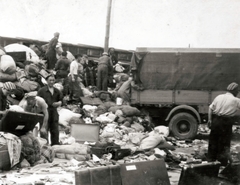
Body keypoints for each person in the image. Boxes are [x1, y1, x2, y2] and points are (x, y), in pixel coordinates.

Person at [207, 82, 240, 166]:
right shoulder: (236, 100)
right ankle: (222, 163)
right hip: (226, 123)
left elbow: (210, 108)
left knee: (213, 142)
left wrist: (210, 120)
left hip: (215, 120)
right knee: (224, 143)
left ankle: (210, 162)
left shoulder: (219, 97)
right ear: (235, 91)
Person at [37, 74, 63, 145]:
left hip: (54, 112)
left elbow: (61, 100)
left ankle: (55, 145)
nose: (52, 82)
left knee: (55, 129)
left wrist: (59, 103)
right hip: (44, 112)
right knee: (44, 129)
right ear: (46, 81)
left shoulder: (57, 91)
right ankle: (45, 145)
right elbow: (38, 101)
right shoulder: (41, 91)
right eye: (50, 80)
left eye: (53, 80)